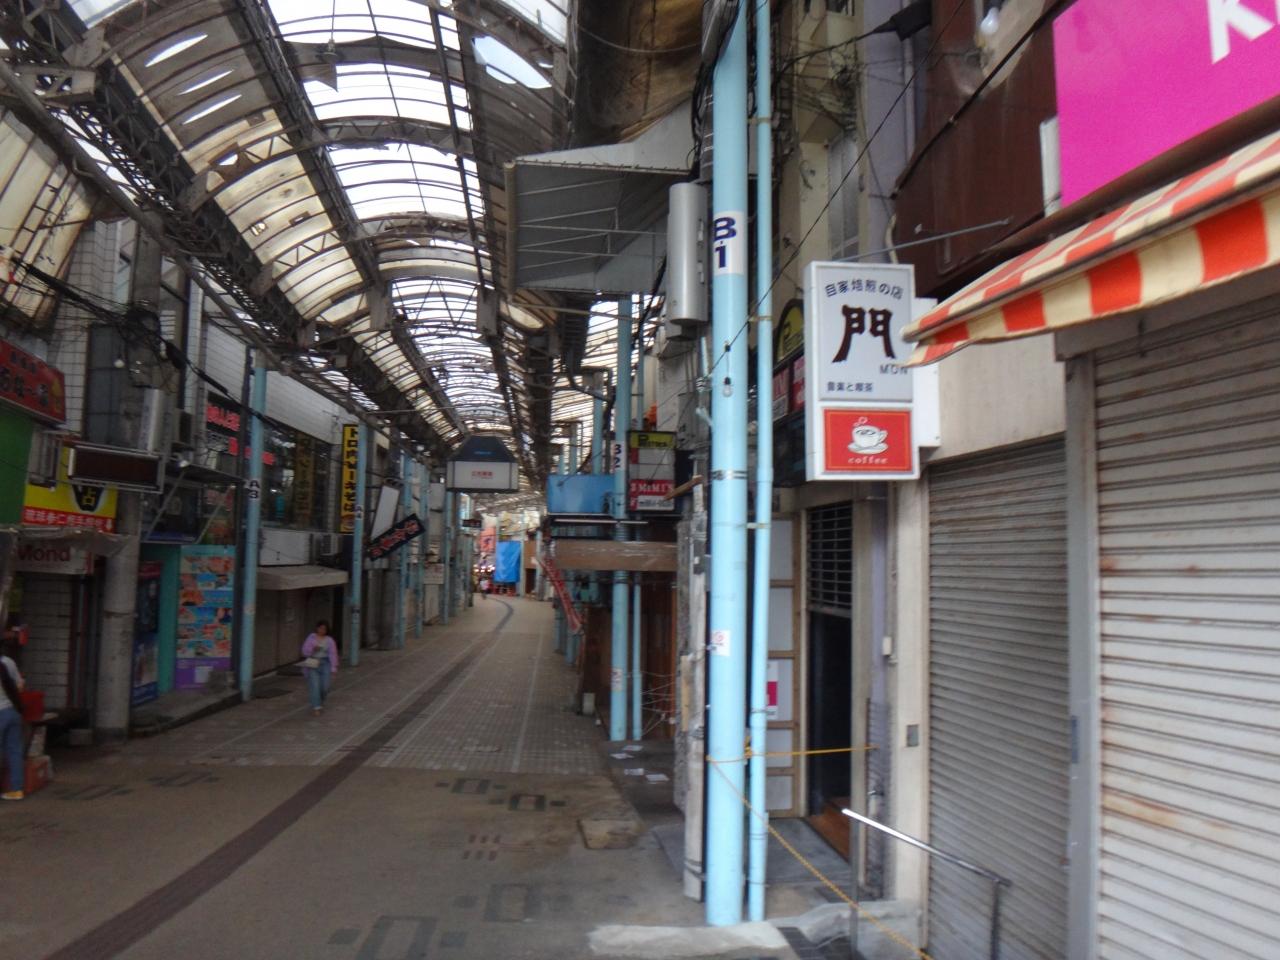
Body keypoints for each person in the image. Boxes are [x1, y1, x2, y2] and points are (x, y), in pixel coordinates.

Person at [0, 650, 25, 800]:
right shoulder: (8, 663)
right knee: (15, 752)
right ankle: (17, 790)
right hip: (13, 711)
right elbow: (19, 686)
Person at [300, 620, 338, 716]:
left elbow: (333, 654)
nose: (322, 630)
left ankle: (320, 701)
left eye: (324, 629)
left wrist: (333, 667)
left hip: (325, 663)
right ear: (317, 628)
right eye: (320, 628)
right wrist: (313, 649)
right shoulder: (311, 637)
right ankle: (316, 706)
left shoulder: (329, 640)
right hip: (313, 663)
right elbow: (304, 651)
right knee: (315, 686)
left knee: (325, 687)